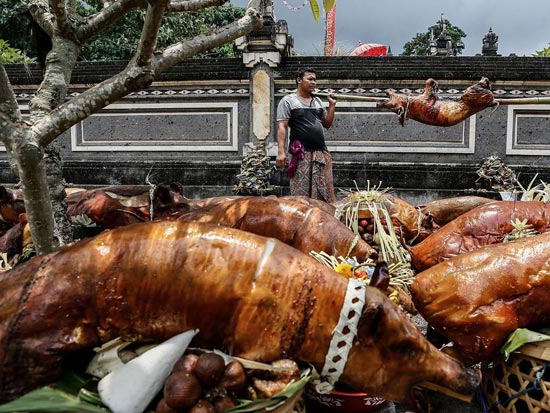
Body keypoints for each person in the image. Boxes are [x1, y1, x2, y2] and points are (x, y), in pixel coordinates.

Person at [276, 67, 337, 203]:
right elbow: (282, 127)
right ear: (299, 80)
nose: (314, 82)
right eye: (310, 79)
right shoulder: (288, 101)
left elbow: (327, 123)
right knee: (301, 197)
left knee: (323, 195)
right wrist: (281, 152)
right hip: (301, 155)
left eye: (315, 80)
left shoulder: (318, 102)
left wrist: (332, 106)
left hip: (320, 154)